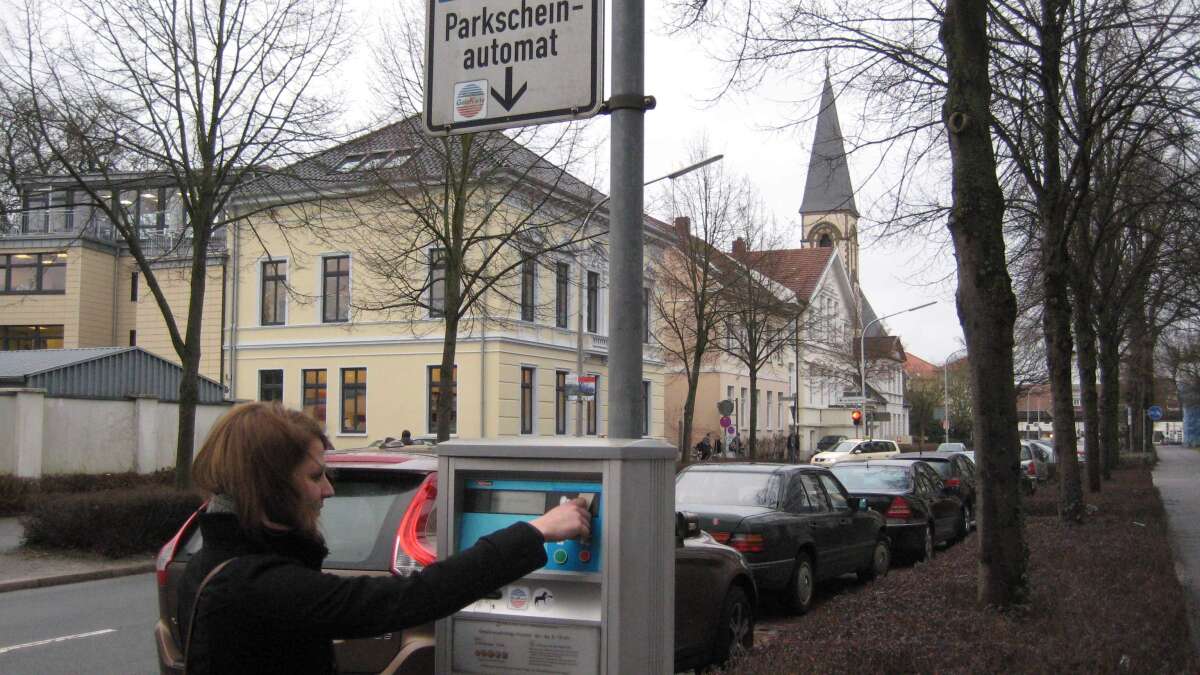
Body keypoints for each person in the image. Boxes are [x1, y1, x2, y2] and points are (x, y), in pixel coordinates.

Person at [179, 402, 590, 674]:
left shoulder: (208, 563)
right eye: (314, 476)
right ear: (268, 486)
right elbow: (408, 598)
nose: (328, 490)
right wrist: (537, 530)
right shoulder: (254, 585)